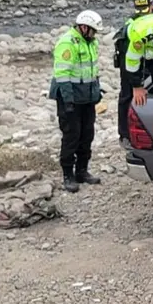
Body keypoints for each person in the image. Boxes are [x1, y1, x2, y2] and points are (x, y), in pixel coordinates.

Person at [48, 10, 104, 193]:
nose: (95, 34)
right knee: (71, 136)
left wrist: (96, 92)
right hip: (70, 97)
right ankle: (68, 175)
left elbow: (92, 71)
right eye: (93, 31)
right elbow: (62, 74)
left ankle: (82, 171)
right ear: (84, 27)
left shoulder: (90, 42)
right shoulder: (67, 43)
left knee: (87, 135)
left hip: (86, 96)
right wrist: (68, 100)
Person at [114, 0, 153, 149]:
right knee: (127, 96)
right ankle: (125, 135)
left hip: (150, 61)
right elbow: (127, 57)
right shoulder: (131, 26)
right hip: (130, 62)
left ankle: (146, 132)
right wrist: (135, 82)